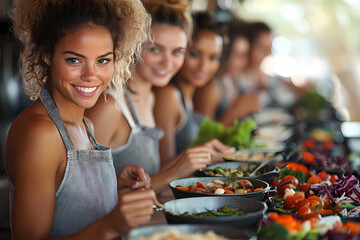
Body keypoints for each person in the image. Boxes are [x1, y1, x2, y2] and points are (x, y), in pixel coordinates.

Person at [5, 0, 156, 239]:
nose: (90, 75)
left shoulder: (86, 124)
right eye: (74, 60)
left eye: (103, 60)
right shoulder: (40, 133)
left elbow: (63, 197)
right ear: (47, 55)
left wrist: (112, 185)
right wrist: (111, 226)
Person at [86, 1, 234, 194]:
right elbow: (90, 195)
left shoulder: (150, 98)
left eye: (177, 52)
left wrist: (196, 155)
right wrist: (175, 172)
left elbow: (150, 174)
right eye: (155, 49)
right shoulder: (110, 106)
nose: (167, 63)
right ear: (133, 45)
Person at [153, 11, 229, 163]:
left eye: (213, 58)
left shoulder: (194, 93)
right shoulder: (168, 95)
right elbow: (165, 167)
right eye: (194, 54)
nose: (204, 67)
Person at [193, 19, 262, 126]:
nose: (234, 61)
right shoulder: (209, 88)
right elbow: (204, 137)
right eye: (231, 53)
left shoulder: (232, 79)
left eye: (242, 55)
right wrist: (236, 110)